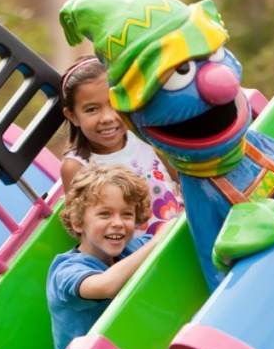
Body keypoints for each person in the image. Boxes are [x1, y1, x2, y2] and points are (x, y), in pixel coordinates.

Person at [47, 164, 168, 349]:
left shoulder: (134, 247)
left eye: (127, 214)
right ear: (78, 221)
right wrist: (159, 242)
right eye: (104, 214)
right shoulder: (66, 270)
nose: (118, 223)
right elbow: (106, 286)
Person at [60, 55, 183, 237]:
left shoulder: (146, 136)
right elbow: (86, 230)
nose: (108, 118)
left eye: (114, 104)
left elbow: (183, 182)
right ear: (72, 116)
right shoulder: (77, 167)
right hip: (140, 258)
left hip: (183, 232)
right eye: (92, 109)